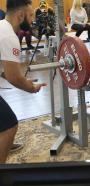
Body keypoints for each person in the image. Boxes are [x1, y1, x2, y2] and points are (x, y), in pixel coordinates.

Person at [0, 0, 46, 163]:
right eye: (31, 15)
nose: (33, 19)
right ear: (21, 15)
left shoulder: (2, 28)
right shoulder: (9, 37)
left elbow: (5, 71)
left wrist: (22, 79)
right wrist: (31, 88)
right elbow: (13, 77)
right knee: (9, 126)